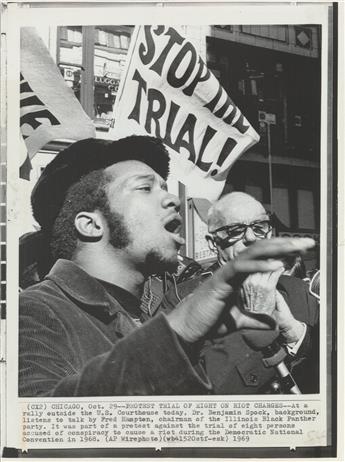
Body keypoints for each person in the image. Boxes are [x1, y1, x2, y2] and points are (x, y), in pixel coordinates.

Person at [19, 137, 314, 397]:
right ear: (91, 224)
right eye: (146, 188)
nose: (173, 199)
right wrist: (178, 331)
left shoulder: (149, 318)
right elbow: (36, 430)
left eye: (165, 187)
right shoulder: (34, 311)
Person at [161, 192, 319, 393]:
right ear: (213, 242)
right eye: (235, 230)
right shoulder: (182, 298)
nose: (251, 238)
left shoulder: (299, 291)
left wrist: (296, 334)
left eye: (259, 227)